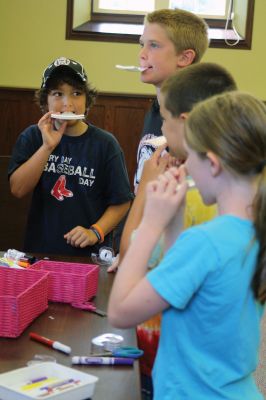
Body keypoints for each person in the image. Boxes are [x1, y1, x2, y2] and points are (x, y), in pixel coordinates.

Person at [108, 90, 266, 399]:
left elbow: (120, 310)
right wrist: (174, 220)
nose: (187, 166)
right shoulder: (251, 234)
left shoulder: (205, 241)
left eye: (191, 156)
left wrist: (152, 223)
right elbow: (184, 283)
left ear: (213, 163)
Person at [8, 57, 133, 256]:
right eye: (58, 94)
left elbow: (122, 201)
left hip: (89, 255)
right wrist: (47, 147)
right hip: (41, 250)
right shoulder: (32, 137)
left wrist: (95, 232)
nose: (68, 103)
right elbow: (18, 189)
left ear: (87, 99)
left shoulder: (106, 144)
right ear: (45, 101)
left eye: (76, 93)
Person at [134, 8, 209, 193]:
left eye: (154, 45)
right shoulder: (156, 108)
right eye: (142, 44)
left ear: (184, 57)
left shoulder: (194, 121)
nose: (142, 54)